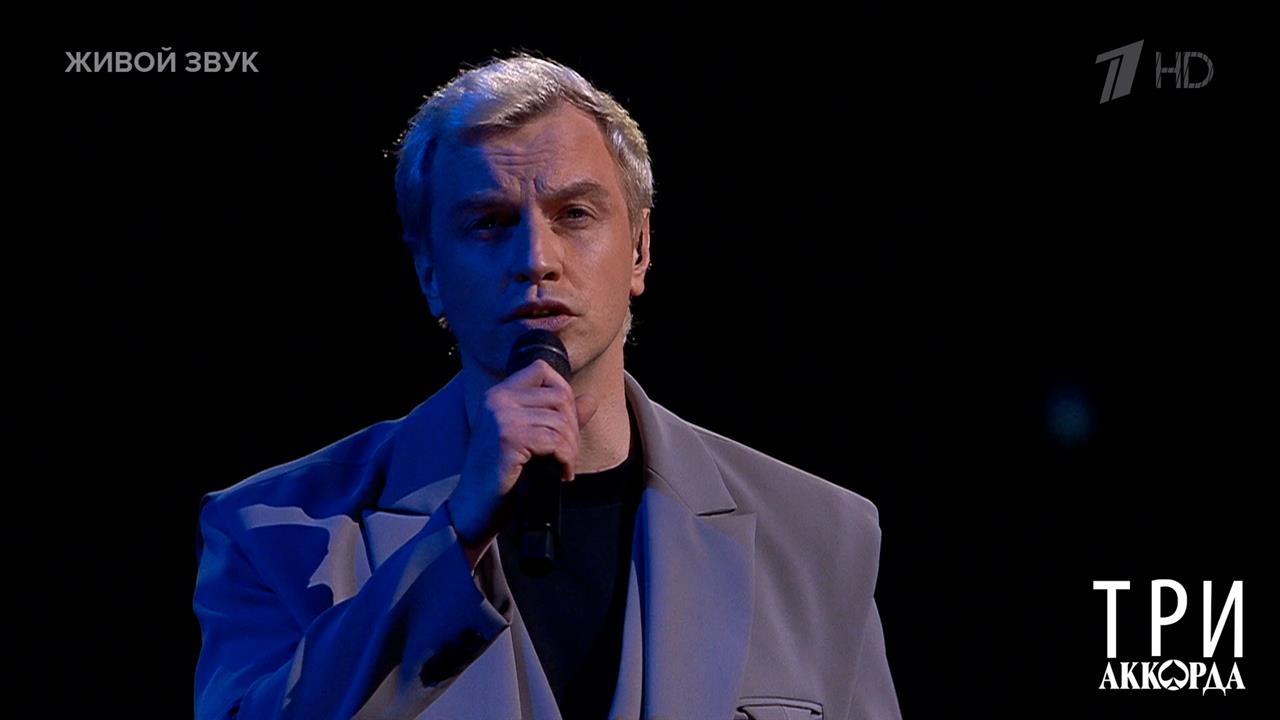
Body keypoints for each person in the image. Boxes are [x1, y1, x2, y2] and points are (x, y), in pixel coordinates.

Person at [193, 53, 901, 720]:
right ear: (429, 269)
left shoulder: (818, 534)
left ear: (640, 249)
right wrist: (454, 538)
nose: (537, 258)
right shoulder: (269, 530)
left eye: (575, 214)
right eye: (489, 223)